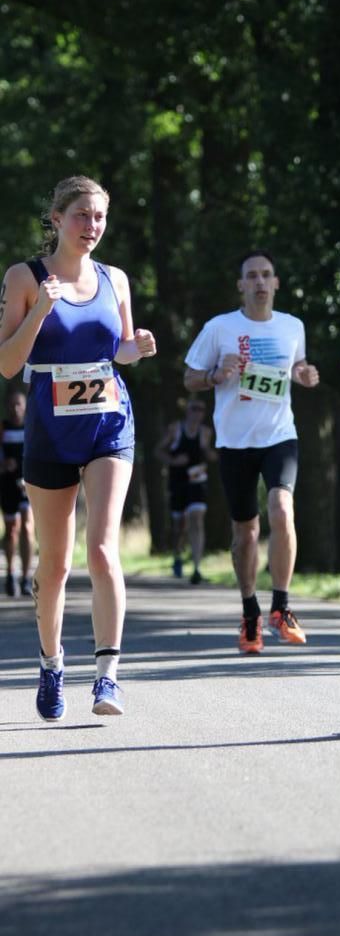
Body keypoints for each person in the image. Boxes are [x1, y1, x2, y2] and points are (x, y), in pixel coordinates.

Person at [0, 175, 157, 721]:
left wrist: (135, 350)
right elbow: (6, 363)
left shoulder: (115, 279)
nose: (92, 227)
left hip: (110, 423)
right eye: (82, 216)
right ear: (57, 218)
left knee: (102, 549)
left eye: (99, 218)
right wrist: (41, 310)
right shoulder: (25, 276)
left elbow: (120, 347)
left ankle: (107, 677)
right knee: (55, 565)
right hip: (49, 428)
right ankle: (51, 664)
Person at [183, 250, 319, 652]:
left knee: (281, 508)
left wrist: (305, 374)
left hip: (279, 437)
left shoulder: (292, 326)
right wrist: (214, 375)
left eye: (266, 275)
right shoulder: (220, 328)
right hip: (234, 442)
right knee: (246, 533)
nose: (260, 282)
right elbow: (189, 376)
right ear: (241, 285)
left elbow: (298, 367)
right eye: (251, 276)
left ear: (276, 283)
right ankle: (249, 613)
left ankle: (282, 607)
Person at [156, 398, 215, 584]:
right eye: (194, 408)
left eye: (201, 409)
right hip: (178, 481)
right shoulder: (176, 429)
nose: (197, 413)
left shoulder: (206, 433)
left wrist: (211, 453)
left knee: (197, 519)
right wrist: (173, 461)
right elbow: (158, 451)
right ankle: (178, 556)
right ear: (187, 411)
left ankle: (197, 567)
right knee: (179, 524)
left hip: (197, 481)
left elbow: (212, 455)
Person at [1, 389, 35, 597]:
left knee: (28, 527)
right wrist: (4, 464)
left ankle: (26, 577)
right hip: (6, 484)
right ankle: (11, 573)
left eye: (19, 404)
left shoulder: (32, 427)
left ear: (25, 407)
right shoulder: (3, 428)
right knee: (12, 529)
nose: (15, 409)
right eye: (12, 404)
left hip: (29, 483)